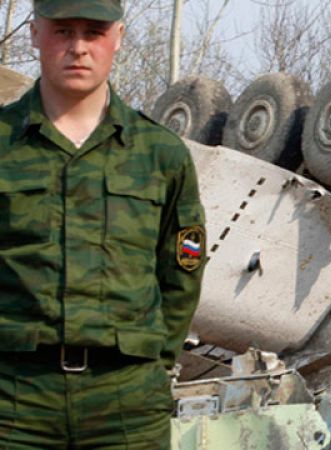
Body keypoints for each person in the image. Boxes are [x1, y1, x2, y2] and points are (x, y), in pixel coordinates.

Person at [0, 0, 205, 447]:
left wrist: (154, 364)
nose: (78, 47)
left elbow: (182, 272)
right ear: (34, 33)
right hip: (14, 400)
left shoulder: (160, 154)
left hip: (127, 404)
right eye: (62, 30)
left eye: (93, 32)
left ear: (118, 38)